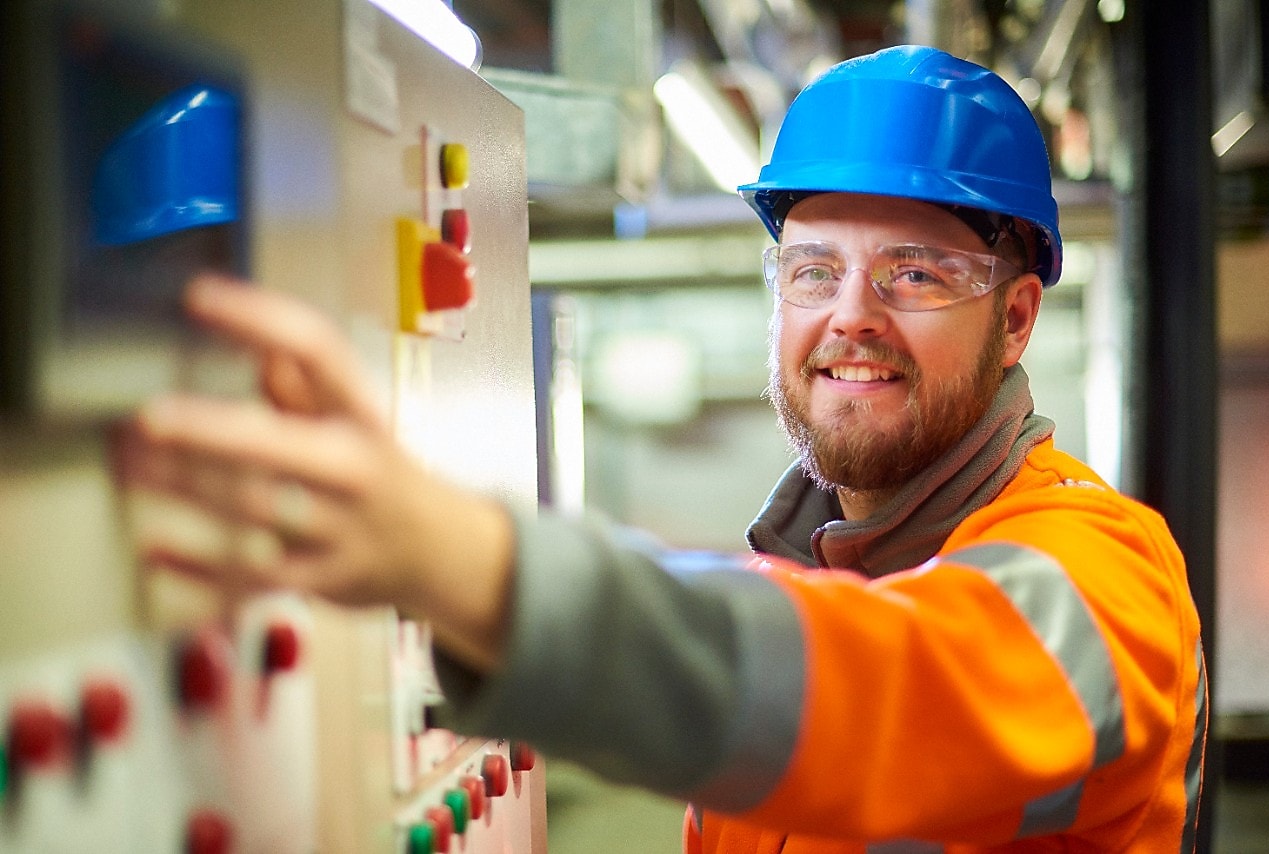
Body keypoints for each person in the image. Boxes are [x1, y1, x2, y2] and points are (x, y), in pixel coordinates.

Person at [113, 45, 1208, 852]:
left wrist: (466, 562)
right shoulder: (796, 574)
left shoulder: (1106, 577)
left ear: (1015, 317)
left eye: (915, 271)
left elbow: (898, 690)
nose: (851, 315)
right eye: (813, 268)